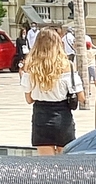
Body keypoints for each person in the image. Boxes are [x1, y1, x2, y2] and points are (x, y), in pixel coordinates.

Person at [22, 26, 80, 154]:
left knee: (46, 166)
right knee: (65, 163)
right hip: (63, 116)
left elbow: (29, 99)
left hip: (41, 116)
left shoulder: (30, 66)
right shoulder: (67, 65)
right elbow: (80, 95)